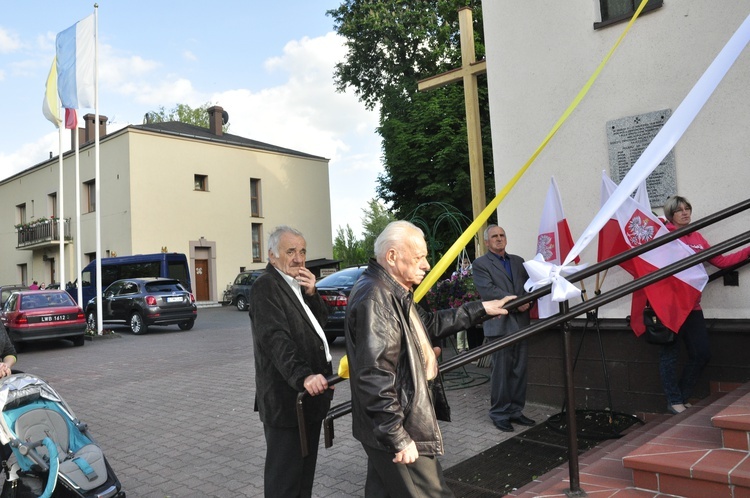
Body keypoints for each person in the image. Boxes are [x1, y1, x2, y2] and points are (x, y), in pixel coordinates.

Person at [345, 220, 516, 497]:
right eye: (419, 257)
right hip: (401, 425)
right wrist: (398, 437)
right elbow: (374, 375)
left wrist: (482, 308)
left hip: (390, 424)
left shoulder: (391, 289)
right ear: (392, 256)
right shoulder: (376, 297)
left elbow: (430, 323)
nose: (426, 264)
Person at [248, 226, 334, 497]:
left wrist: (312, 295)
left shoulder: (295, 284)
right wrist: (304, 376)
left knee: (303, 478)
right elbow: (275, 340)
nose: (299, 258)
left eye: (303, 251)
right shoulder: (266, 286)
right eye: (290, 251)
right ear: (272, 257)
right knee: (284, 482)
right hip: (287, 401)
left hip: (310, 399)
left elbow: (319, 327)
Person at [659, 196, 750, 414]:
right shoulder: (663, 236)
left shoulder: (697, 236)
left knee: (702, 353)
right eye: (679, 210)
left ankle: (679, 396)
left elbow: (722, 261)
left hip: (693, 307)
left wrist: (748, 250)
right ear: (671, 215)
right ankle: (674, 401)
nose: (685, 213)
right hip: (669, 306)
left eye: (687, 208)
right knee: (669, 354)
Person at [472, 225, 534, 432]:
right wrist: (518, 303)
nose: (499, 239)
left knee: (519, 370)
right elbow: (489, 291)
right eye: (494, 237)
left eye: (502, 235)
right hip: (499, 324)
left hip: (522, 323)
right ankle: (499, 414)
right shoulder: (480, 264)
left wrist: (529, 302)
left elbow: (528, 287)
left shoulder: (518, 261)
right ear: (487, 242)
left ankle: (516, 411)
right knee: (501, 372)